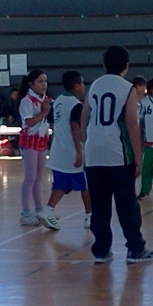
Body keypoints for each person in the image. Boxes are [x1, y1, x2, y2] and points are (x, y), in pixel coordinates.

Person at [81, 45, 153, 264]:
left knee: (99, 205)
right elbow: (132, 123)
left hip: (93, 153)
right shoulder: (127, 87)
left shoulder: (95, 85)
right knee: (127, 203)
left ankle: (101, 250)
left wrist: (89, 143)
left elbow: (84, 118)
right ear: (126, 66)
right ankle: (135, 249)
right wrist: (138, 157)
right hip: (117, 152)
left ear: (104, 64)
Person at [43, 71, 90, 231]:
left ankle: (48, 210)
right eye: (82, 83)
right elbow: (75, 127)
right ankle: (90, 215)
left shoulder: (58, 101)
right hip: (71, 152)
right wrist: (79, 152)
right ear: (76, 86)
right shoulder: (76, 105)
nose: (83, 86)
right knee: (86, 185)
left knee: (61, 185)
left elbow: (53, 123)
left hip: (58, 151)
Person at [17, 69, 53, 226]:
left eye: (45, 81)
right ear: (31, 84)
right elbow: (29, 122)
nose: (44, 85)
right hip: (30, 140)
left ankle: (39, 209)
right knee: (30, 177)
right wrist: (44, 112)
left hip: (42, 139)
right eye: (40, 81)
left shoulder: (45, 99)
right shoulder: (27, 101)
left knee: (39, 178)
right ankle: (25, 213)